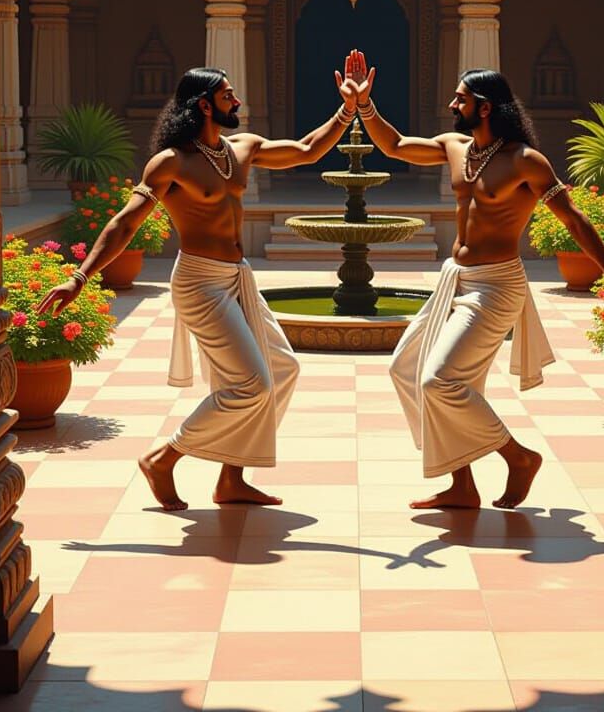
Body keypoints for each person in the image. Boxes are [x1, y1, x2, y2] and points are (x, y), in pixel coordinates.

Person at [340, 50, 604, 511]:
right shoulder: (455, 147)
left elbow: (573, 219)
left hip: (496, 286)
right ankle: (462, 486)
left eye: (461, 99)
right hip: (456, 280)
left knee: (439, 381)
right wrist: (364, 106)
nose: (453, 105)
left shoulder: (526, 161)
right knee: (407, 369)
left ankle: (518, 457)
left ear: (485, 107)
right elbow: (395, 145)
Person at [37, 65, 362, 511]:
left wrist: (347, 110)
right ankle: (163, 458)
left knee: (282, 369)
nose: (237, 101)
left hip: (237, 277)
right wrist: (80, 277)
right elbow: (126, 223)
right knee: (251, 384)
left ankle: (232, 478)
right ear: (204, 105)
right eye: (228, 95)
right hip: (199, 283)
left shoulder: (241, 148)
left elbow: (307, 150)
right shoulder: (172, 162)